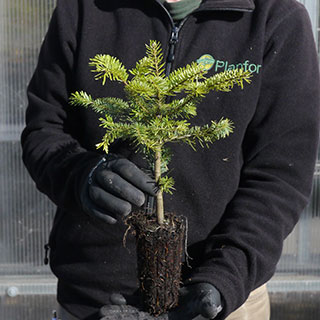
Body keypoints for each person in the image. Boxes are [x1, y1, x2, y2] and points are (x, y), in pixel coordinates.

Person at [21, 0, 320, 319]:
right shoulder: (83, 8)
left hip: (220, 302)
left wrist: (222, 280)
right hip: (91, 301)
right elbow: (44, 129)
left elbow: (281, 176)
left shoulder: (274, 17)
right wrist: (80, 175)